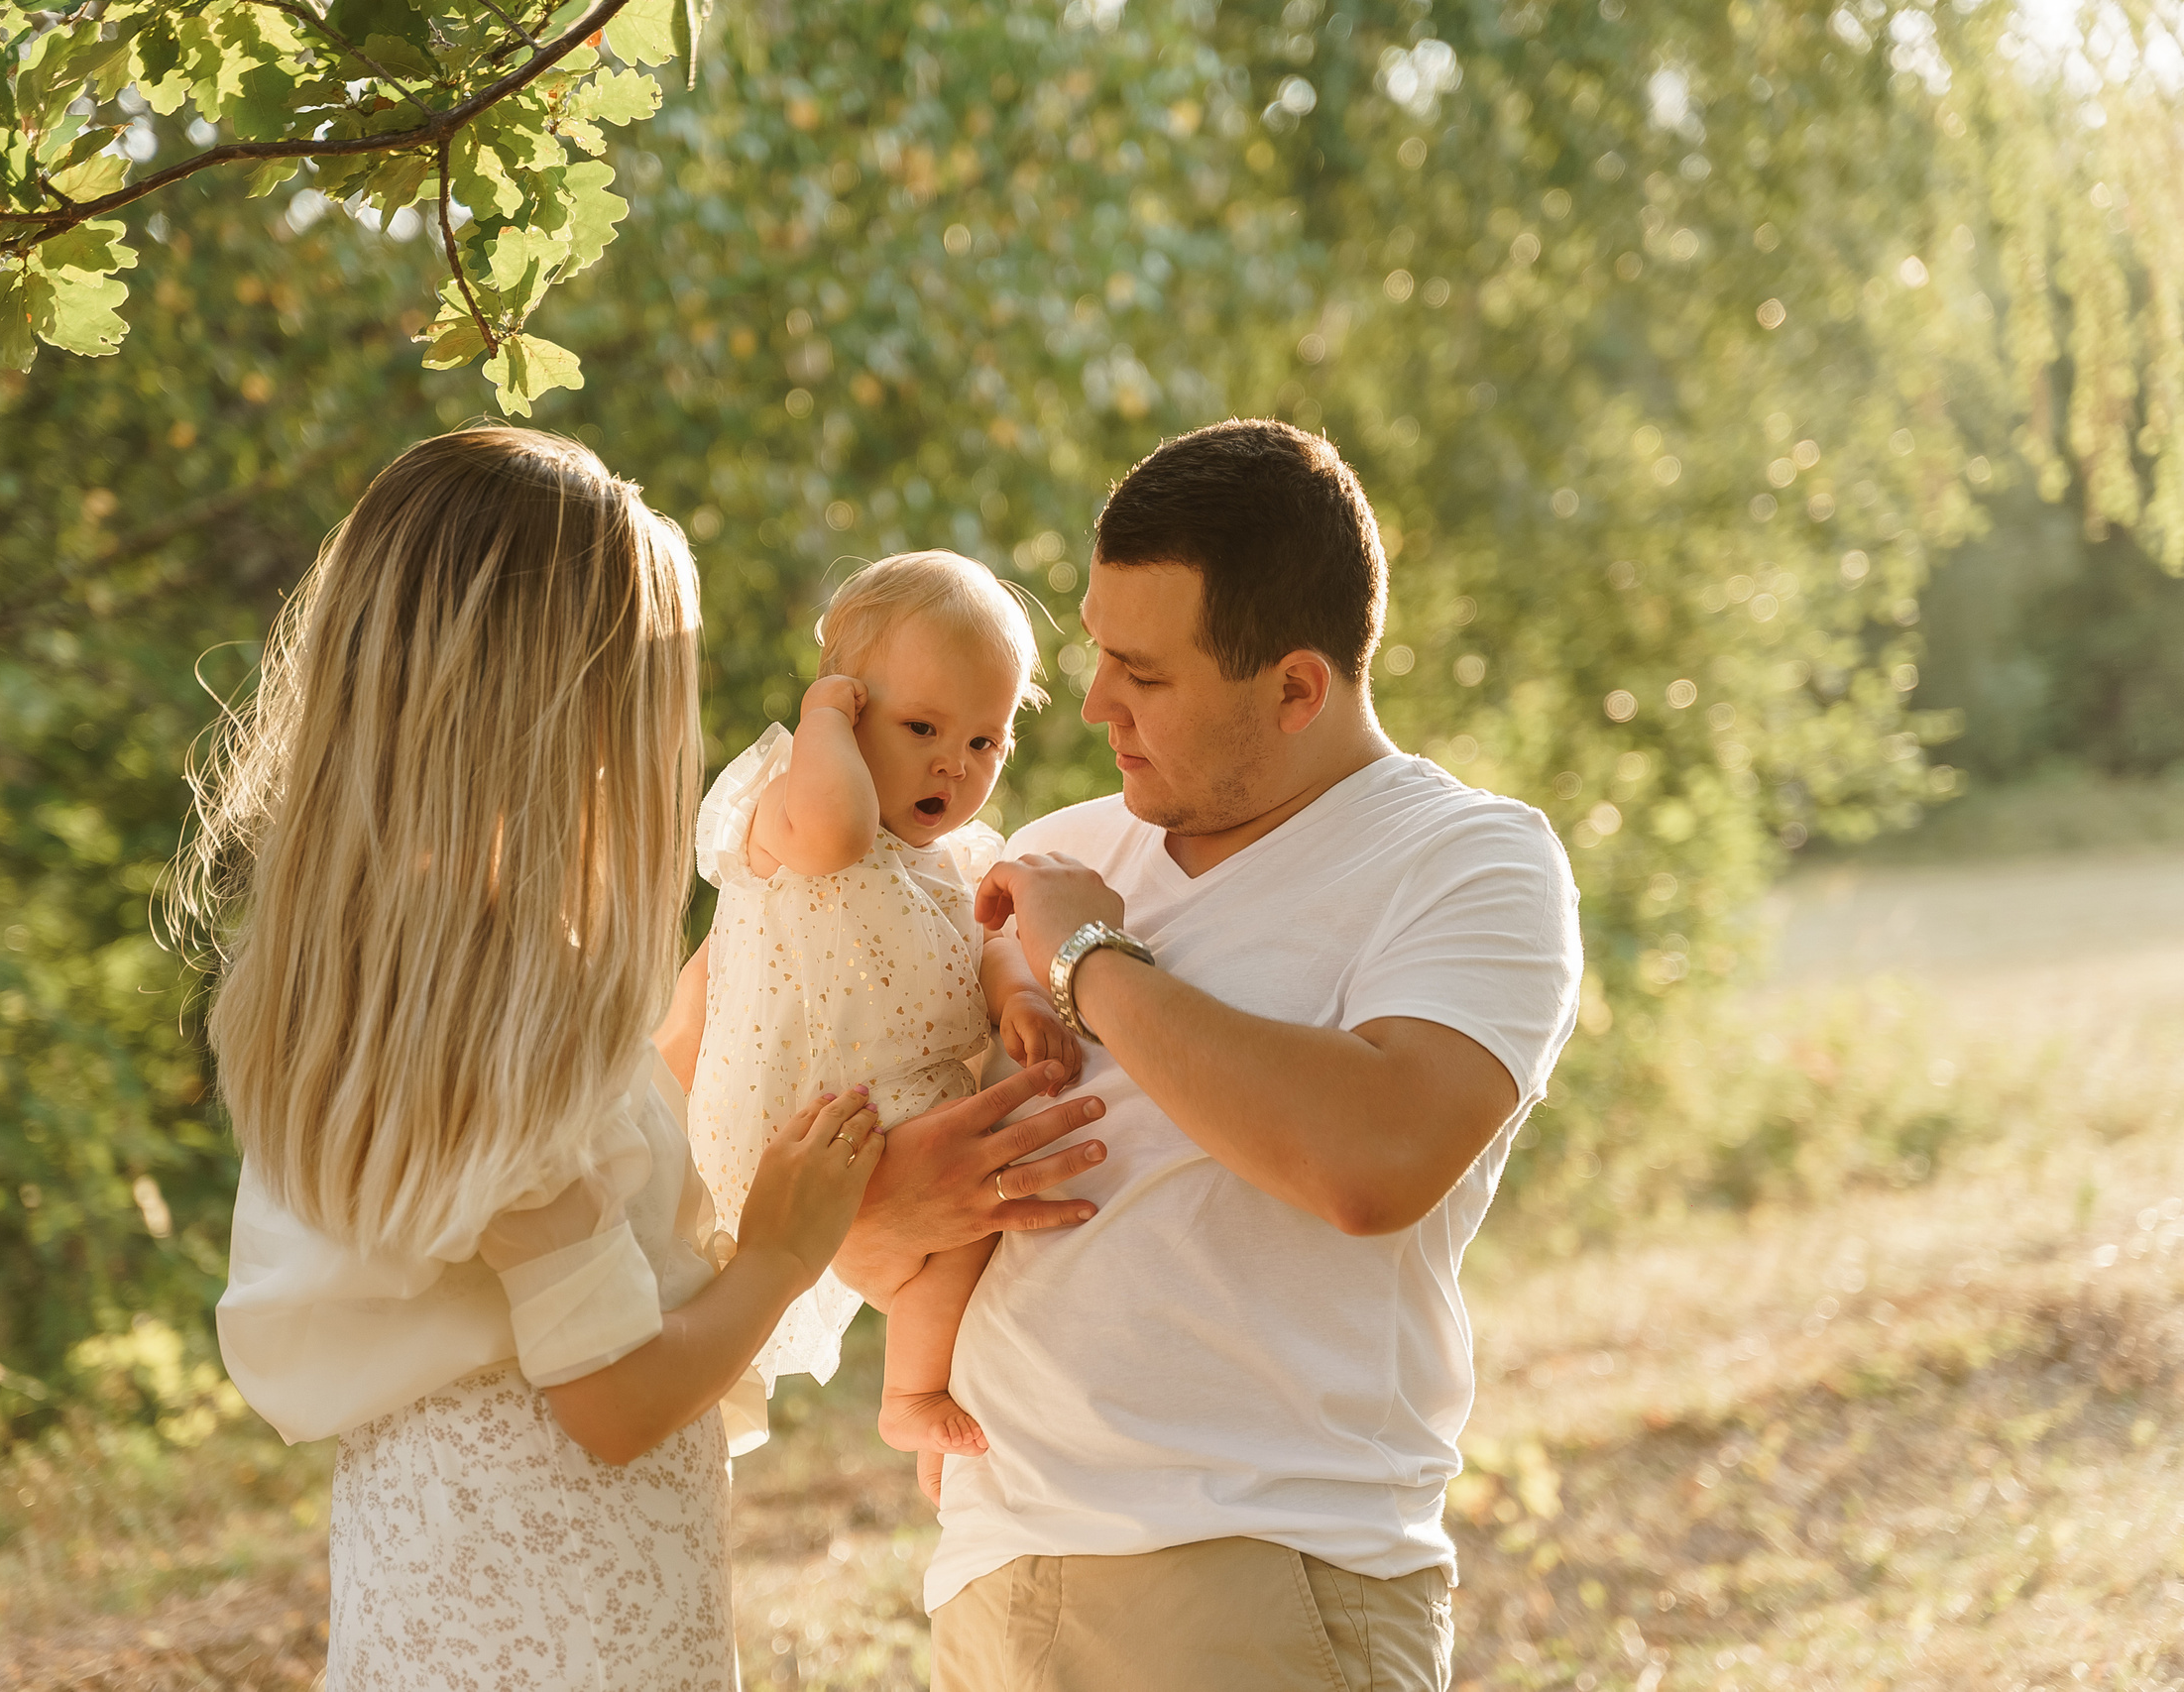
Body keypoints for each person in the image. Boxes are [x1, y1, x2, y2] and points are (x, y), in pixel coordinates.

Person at [194, 427, 1110, 1691]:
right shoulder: (498, 1015)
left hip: (481, 1597)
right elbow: (616, 1401)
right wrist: (792, 1250)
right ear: (562, 709)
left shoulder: (421, 970)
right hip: (557, 1619)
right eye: (653, 685)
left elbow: (620, 1216)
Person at [906, 419, 1586, 1692]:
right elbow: (889, 1214)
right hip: (994, 1575)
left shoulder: (1468, 862)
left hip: (1262, 1574)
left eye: (1145, 676)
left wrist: (1093, 966)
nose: (1097, 701)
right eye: (1098, 653)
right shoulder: (1061, 852)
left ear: (1294, 688)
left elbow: (1375, 1157)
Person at [658, 551, 1082, 1461]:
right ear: (849, 706)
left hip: (902, 1119)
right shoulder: (786, 805)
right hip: (800, 1134)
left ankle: (916, 1392)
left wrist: (1016, 1000)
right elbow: (839, 832)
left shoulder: (962, 860)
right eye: (923, 725)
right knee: (966, 1232)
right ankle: (901, 1389)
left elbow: (994, 943)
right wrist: (821, 725)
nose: (954, 764)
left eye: (985, 742)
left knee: (973, 1238)